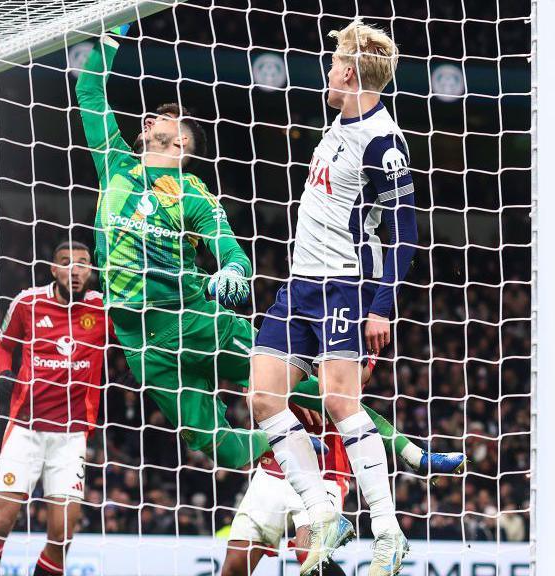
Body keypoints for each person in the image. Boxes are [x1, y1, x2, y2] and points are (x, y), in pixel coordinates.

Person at [73, 25, 465, 476]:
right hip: (139, 339)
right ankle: (301, 444)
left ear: (181, 142)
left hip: (195, 319)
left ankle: (408, 451)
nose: (150, 119)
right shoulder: (113, 163)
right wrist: (113, 25)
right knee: (219, 448)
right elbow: (89, 86)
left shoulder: (194, 195)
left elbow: (234, 254)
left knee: (319, 393)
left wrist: (232, 273)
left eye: (163, 118)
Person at [249, 19, 415, 576]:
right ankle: (323, 513)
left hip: (344, 284)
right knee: (263, 396)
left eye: (332, 64)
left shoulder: (382, 141)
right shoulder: (336, 128)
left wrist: (381, 305)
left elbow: (406, 233)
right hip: (298, 284)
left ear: (348, 71)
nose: (327, 72)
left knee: (341, 403)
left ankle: (388, 532)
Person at [0, 242, 111, 576]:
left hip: (71, 436)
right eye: (66, 263)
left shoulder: (104, 309)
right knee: (2, 522)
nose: (75, 270)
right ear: (53, 269)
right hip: (26, 430)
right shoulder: (28, 302)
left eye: (83, 263)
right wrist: (3, 372)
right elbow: (3, 345)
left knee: (62, 536)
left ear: (91, 269)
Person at [222, 407, 348, 576]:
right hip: (272, 465)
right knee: (234, 567)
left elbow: (345, 394)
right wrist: (287, 388)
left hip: (324, 469)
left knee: (309, 554)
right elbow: (252, 392)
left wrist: (303, 388)